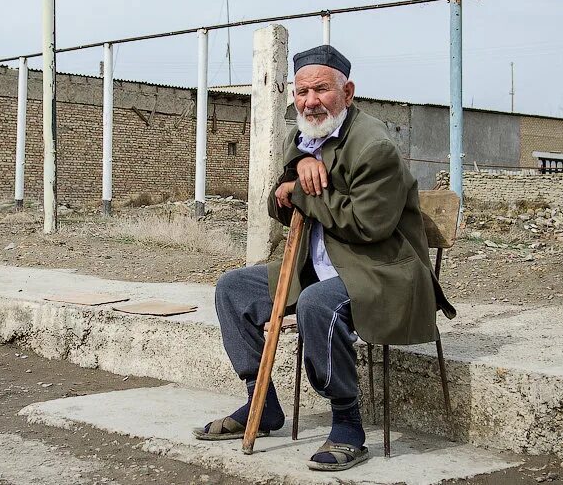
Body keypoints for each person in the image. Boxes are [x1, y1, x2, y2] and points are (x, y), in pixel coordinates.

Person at [194, 44, 456, 471]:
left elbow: (368, 226)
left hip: (380, 271)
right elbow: (279, 206)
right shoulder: (303, 138)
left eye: (321, 90)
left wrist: (301, 191)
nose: (310, 101)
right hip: (318, 265)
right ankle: (261, 405)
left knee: (320, 304)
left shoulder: (375, 147)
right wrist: (294, 177)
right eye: (301, 92)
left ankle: (347, 424)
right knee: (232, 289)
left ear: (347, 93)